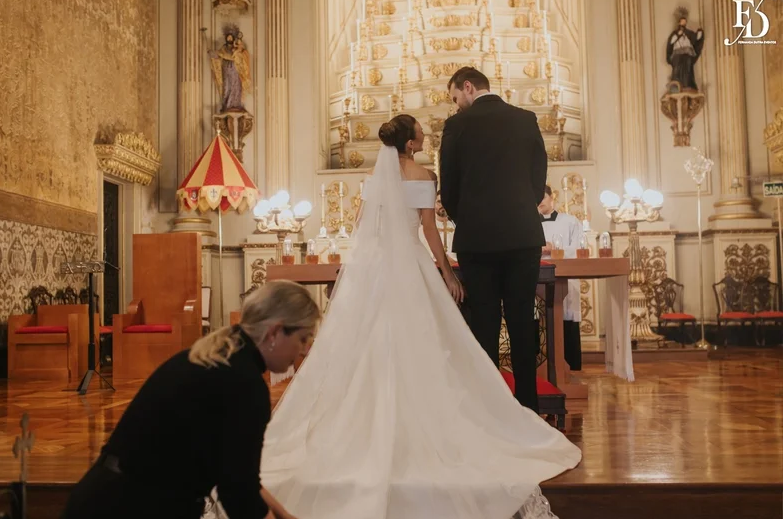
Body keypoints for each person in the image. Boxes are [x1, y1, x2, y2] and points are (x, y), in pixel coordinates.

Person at [231, 115, 580, 519]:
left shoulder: (374, 177)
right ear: (411, 143)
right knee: (423, 343)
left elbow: (362, 225)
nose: (425, 134)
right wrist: (447, 272)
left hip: (374, 268)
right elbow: (430, 231)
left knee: (369, 343)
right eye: (421, 131)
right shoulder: (423, 175)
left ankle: (364, 425)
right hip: (410, 267)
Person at [61, 280, 321, 519]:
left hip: (103, 498)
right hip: (135, 507)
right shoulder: (245, 384)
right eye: (302, 338)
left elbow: (236, 472)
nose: (305, 349)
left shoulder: (215, 356)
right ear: (275, 333)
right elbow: (240, 497)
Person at [440, 66, 548, 413]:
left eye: (456, 98)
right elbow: (538, 176)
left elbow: (450, 185)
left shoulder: (457, 126)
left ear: (467, 87)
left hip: (477, 241)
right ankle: (528, 408)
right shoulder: (525, 118)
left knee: (484, 325)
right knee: (521, 322)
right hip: (523, 236)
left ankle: (490, 410)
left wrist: (467, 218)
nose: (456, 106)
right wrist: (519, 210)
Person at [538, 184, 584, 371]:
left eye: (542, 197)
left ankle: (570, 367)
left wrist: (557, 249)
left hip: (565, 277)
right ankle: (540, 366)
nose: (539, 201)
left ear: (552, 198)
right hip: (538, 277)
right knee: (539, 320)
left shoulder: (570, 221)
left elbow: (580, 247)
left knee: (565, 318)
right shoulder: (528, 223)